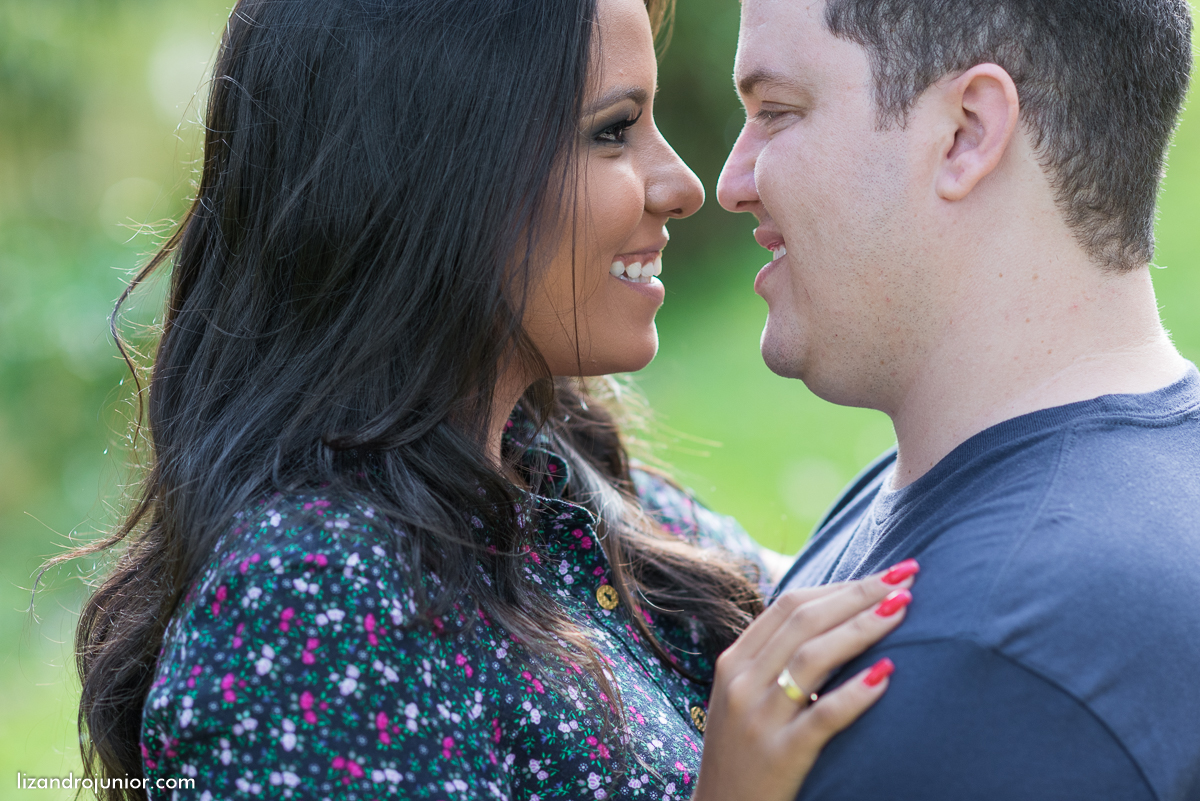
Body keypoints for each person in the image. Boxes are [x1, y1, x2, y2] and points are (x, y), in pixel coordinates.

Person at [68, 1, 918, 800]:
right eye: (614, 131)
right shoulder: (310, 610)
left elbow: (858, 608)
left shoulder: (545, 472)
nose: (685, 184)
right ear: (432, 170)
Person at [717, 0, 1200, 798]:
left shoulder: (986, 670)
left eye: (777, 112)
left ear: (967, 131)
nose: (732, 182)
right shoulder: (948, 495)